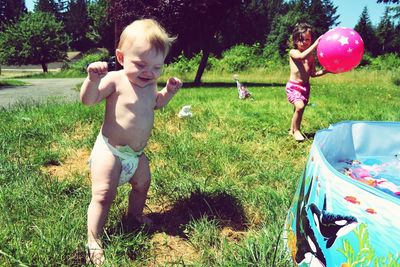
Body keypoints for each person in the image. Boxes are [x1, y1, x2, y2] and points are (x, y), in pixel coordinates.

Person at [80, 19, 182, 265]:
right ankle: (93, 240)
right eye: (141, 64)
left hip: (136, 155)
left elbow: (156, 103)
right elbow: (88, 101)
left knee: (143, 184)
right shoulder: (116, 79)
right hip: (111, 151)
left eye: (157, 67)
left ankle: (134, 215)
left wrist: (168, 93)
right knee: (103, 194)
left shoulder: (149, 84)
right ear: (121, 57)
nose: (149, 73)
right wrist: (92, 81)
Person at [286, 22, 328, 141]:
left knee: (299, 109)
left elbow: (313, 74)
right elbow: (301, 57)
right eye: (301, 39)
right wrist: (315, 44)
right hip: (293, 86)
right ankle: (297, 130)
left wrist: (326, 71)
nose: (304, 42)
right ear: (295, 40)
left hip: (305, 87)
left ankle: (291, 129)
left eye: (308, 39)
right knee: (299, 106)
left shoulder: (311, 57)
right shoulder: (293, 52)